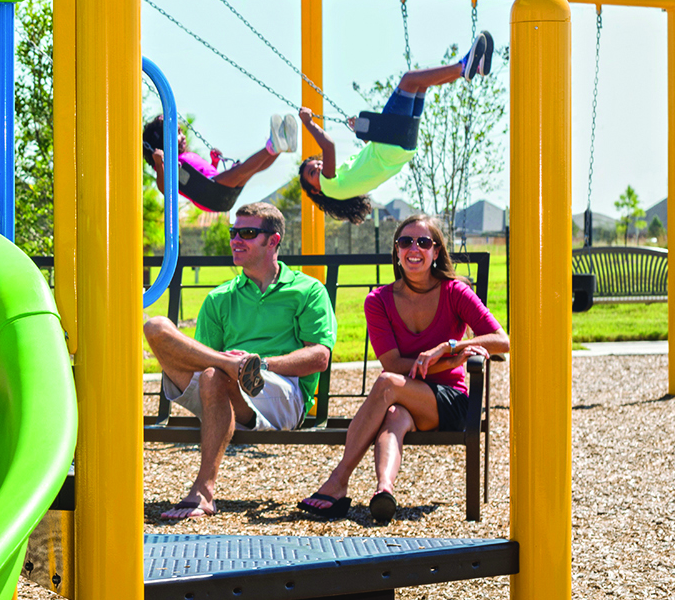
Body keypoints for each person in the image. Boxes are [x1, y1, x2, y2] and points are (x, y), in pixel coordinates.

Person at [298, 214, 508, 524]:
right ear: (397, 251)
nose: (414, 248)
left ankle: (338, 481)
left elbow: (501, 340)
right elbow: (393, 364)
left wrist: (446, 347)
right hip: (407, 394)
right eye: (405, 241)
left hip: (450, 400)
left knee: (387, 385)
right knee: (394, 413)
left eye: (424, 242)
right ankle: (384, 491)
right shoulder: (378, 300)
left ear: (436, 252)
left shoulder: (454, 292)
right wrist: (449, 362)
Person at [142, 201, 336, 520]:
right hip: (220, 387)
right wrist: (228, 364)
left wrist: (259, 365)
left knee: (214, 375)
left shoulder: (307, 290)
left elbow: (319, 357)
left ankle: (203, 491)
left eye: (247, 232)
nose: (235, 240)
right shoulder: (220, 297)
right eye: (234, 232)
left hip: (282, 393)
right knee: (155, 327)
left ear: (273, 240)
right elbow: (201, 364)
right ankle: (231, 367)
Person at [296, 31, 495, 223]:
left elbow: (372, 158)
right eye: (313, 172)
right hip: (389, 146)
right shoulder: (329, 187)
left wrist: (364, 132)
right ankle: (463, 67)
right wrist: (309, 123)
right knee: (410, 80)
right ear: (315, 190)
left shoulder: (343, 182)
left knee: (421, 85)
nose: (319, 167)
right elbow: (329, 147)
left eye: (317, 164)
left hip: (403, 149)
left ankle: (472, 69)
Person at [144, 113, 302, 213]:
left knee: (250, 170)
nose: (183, 136)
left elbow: (201, 178)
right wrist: (159, 163)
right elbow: (165, 189)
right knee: (242, 170)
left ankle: (282, 147)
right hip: (210, 194)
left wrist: (214, 162)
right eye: (177, 133)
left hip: (215, 188)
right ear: (162, 141)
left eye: (181, 131)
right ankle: (272, 147)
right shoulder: (169, 165)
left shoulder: (187, 156)